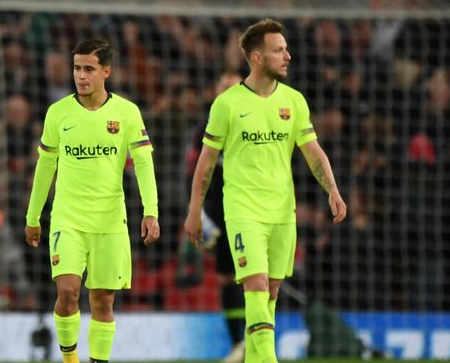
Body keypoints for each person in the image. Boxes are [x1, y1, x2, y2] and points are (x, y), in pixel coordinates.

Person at [183, 19, 347, 363]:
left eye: (286, 48)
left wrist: (332, 189)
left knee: (269, 297)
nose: (287, 55)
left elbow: (313, 150)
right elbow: (206, 163)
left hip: (282, 212)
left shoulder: (294, 101)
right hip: (243, 211)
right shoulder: (227, 104)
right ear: (257, 58)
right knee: (255, 289)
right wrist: (194, 210)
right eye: (279, 50)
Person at [25, 39, 160, 363]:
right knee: (68, 291)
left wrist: (150, 211)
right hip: (67, 218)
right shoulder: (58, 113)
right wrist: (33, 217)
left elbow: (143, 163)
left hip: (110, 221)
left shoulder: (126, 112)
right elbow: (46, 166)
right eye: (76, 68)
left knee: (102, 301)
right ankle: (70, 359)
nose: (81, 76)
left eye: (88, 69)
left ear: (106, 72)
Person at [185, 71, 246, 363]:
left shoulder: (251, 125)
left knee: (254, 277)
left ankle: (256, 339)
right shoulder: (204, 130)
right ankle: (238, 344)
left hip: (249, 210)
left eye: (234, 88)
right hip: (219, 214)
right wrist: (198, 212)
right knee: (226, 277)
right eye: (224, 87)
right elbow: (196, 174)